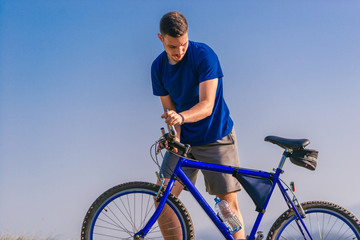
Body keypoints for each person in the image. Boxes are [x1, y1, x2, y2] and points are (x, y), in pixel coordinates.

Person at [151, 11, 245, 240]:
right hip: (186, 142)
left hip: (216, 136)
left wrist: (180, 118)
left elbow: (207, 105)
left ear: (187, 36)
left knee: (228, 206)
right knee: (162, 198)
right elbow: (169, 110)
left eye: (183, 44)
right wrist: (176, 134)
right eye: (173, 46)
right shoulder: (158, 68)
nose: (179, 51)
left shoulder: (204, 55)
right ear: (160, 38)